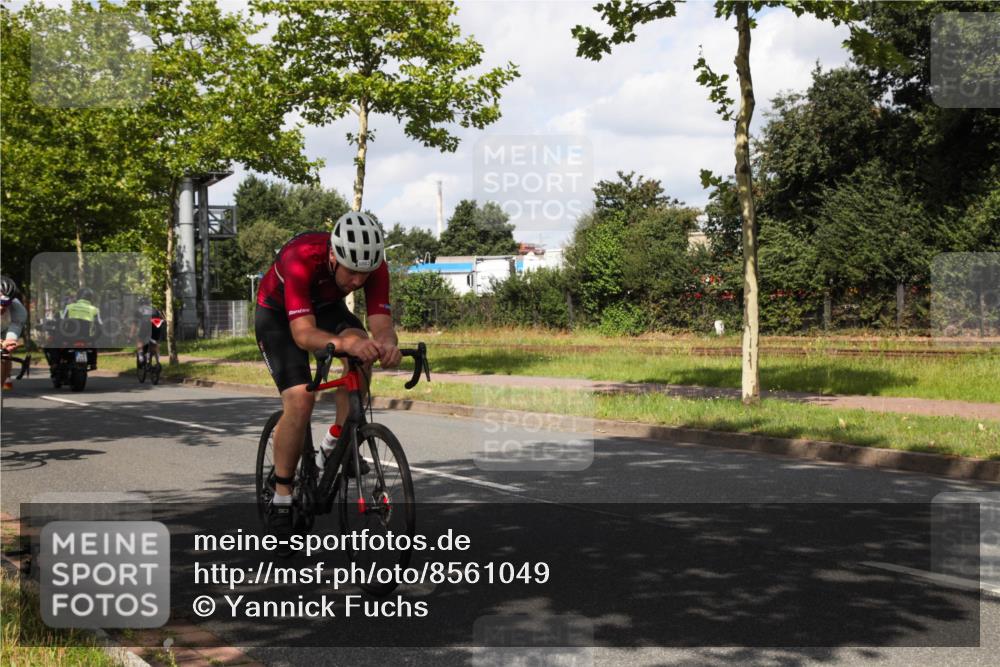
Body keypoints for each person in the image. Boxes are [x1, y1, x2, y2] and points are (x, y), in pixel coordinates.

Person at [254, 211, 401, 539]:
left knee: (363, 354)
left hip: (325, 308)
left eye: (365, 274)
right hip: (279, 316)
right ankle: (281, 497)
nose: (358, 282)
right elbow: (303, 334)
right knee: (301, 399)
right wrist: (343, 341)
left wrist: (388, 344)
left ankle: (337, 441)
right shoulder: (300, 259)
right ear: (334, 257)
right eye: (352, 273)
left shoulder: (372, 266)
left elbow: (381, 323)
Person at [1, 275, 28, 390]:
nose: (2, 307)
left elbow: (15, 327)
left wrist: (10, 341)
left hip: (4, 329)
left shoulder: (19, 310)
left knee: (5, 353)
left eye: (6, 303)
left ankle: (3, 381)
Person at [134, 298, 165, 368]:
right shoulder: (154, 309)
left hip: (146, 323)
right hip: (157, 324)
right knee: (154, 342)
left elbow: (134, 325)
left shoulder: (139, 310)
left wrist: (130, 336)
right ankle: (158, 363)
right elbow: (161, 319)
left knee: (139, 339)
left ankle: (141, 356)